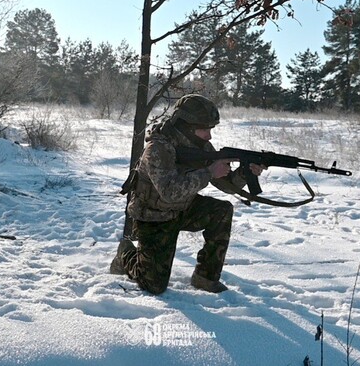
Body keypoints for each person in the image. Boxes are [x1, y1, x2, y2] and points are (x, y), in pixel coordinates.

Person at [110, 94, 265, 294]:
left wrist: (245, 173)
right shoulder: (158, 148)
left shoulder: (199, 146)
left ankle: (205, 277)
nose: (209, 136)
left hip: (183, 208)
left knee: (221, 211)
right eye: (205, 130)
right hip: (154, 217)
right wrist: (209, 172)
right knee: (154, 286)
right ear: (187, 127)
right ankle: (126, 253)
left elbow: (226, 186)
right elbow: (169, 192)